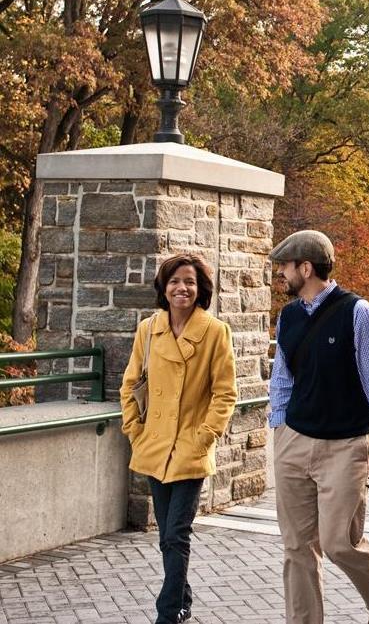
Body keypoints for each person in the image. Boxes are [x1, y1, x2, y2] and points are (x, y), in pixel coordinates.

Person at [269, 230, 369, 624]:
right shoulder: (289, 316)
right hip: (293, 440)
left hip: (345, 446)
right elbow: (282, 377)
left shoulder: (357, 312)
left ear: (305, 268)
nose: (282, 274)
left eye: (286, 267)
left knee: (338, 542)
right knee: (297, 547)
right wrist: (279, 429)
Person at [120, 254, 237, 624]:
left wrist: (204, 437)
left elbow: (225, 393)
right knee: (166, 536)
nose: (181, 288)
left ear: (200, 288)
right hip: (154, 444)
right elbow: (129, 385)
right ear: (163, 288)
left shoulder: (215, 332)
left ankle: (168, 614)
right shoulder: (148, 330)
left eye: (189, 281)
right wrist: (135, 433)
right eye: (174, 281)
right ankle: (183, 597)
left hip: (189, 448)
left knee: (176, 534)